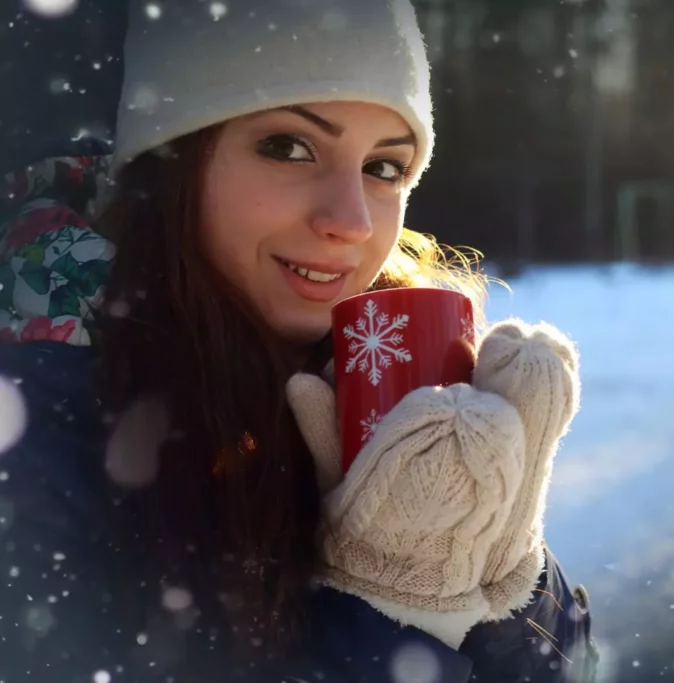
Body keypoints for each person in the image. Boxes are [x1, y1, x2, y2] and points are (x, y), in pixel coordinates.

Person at [0, 1, 598, 681]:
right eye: (288, 146)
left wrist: (509, 578)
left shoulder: (386, 365)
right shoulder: (32, 431)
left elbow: (578, 669)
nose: (350, 220)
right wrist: (395, 611)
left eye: (385, 167)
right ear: (169, 160)